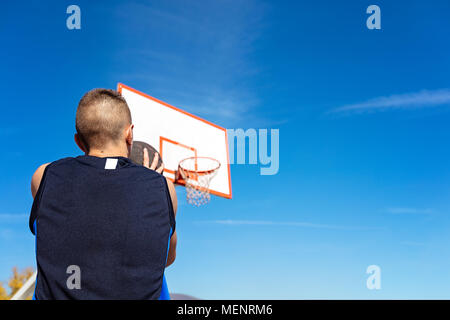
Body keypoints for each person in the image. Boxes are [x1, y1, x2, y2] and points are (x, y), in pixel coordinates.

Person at [29, 89, 178, 299]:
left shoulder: (43, 176)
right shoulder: (164, 189)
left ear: (78, 141)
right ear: (130, 134)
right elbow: (165, 257)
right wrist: (151, 186)